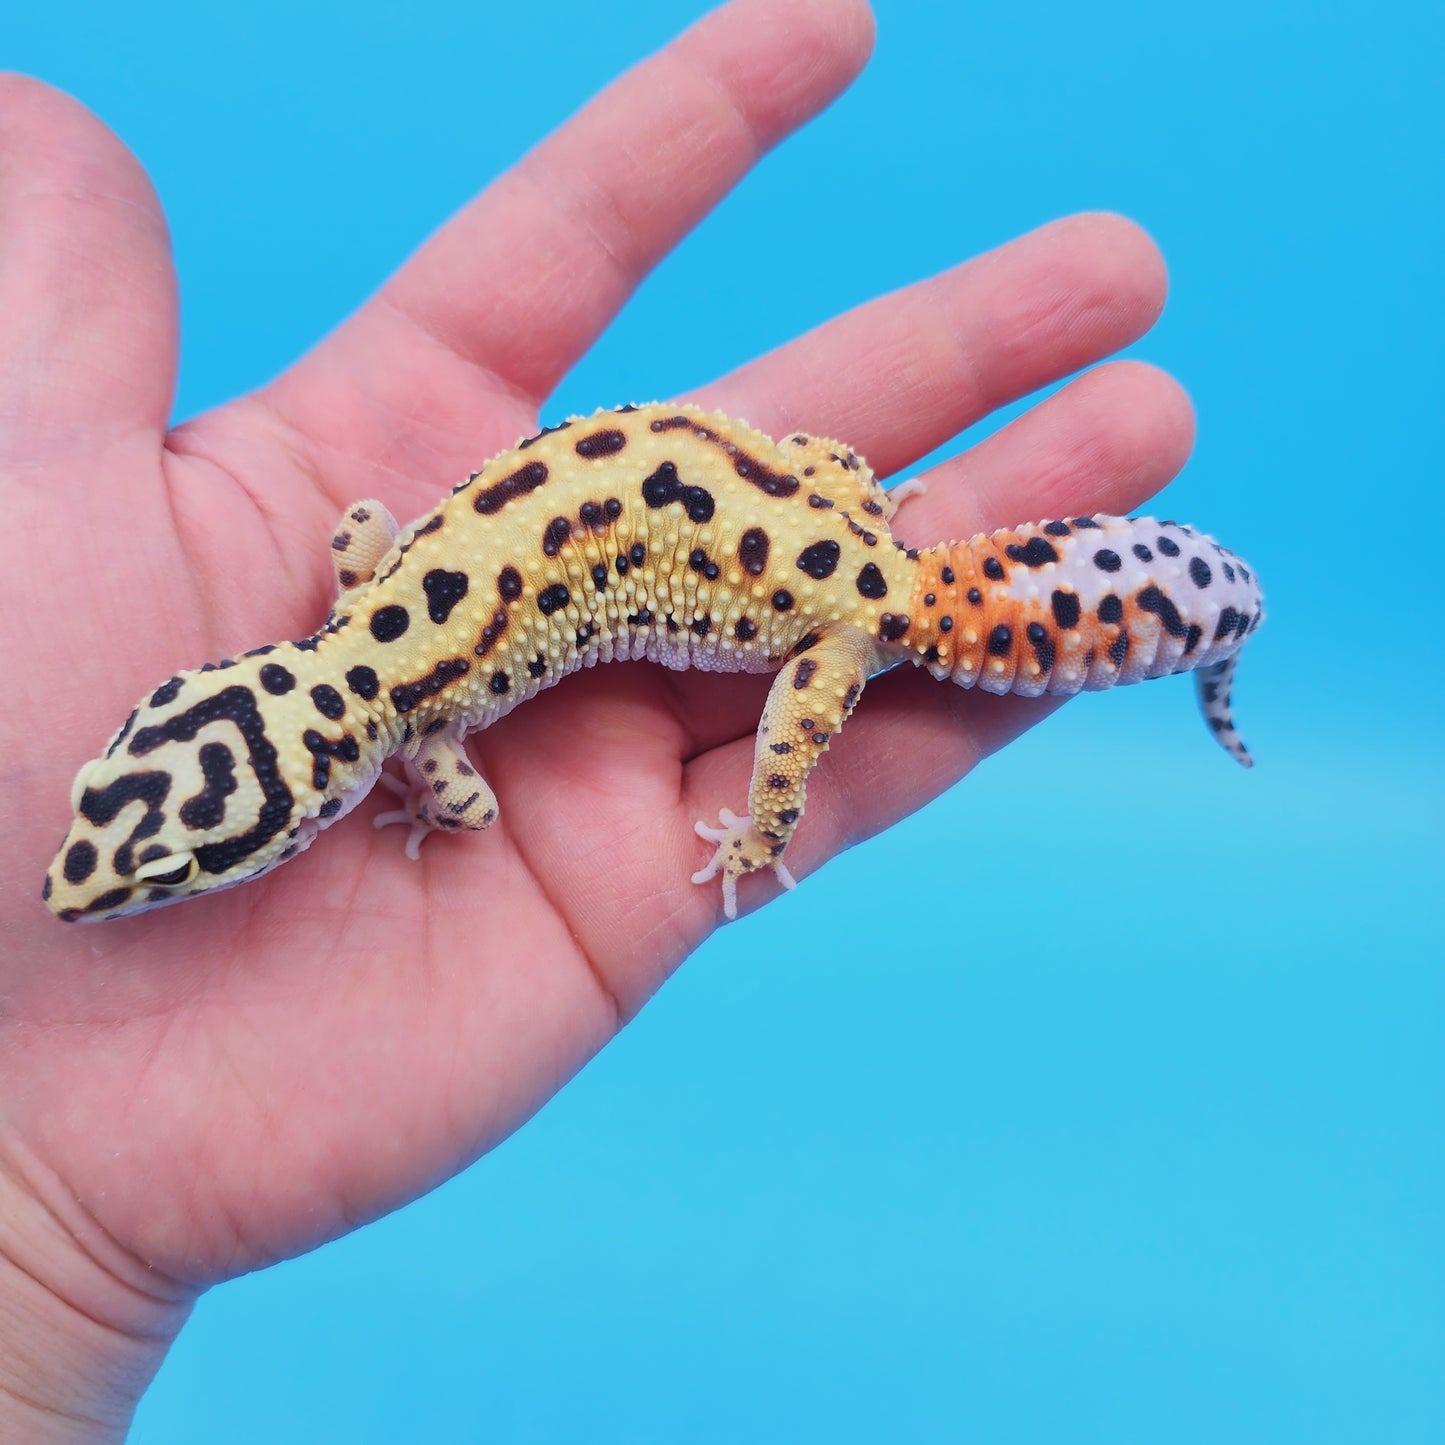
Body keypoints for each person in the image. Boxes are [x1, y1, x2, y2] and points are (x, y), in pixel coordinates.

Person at [0, 0, 1193, 1434]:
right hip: (800, 496)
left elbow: (468, 801)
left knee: (792, 761)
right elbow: (371, 525)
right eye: (148, 850)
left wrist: (758, 816)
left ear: (285, 779)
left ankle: (835, 781)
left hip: (824, 611)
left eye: (166, 855)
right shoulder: (366, 583)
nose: (100, 875)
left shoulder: (421, 734)